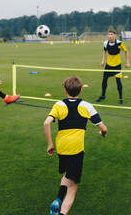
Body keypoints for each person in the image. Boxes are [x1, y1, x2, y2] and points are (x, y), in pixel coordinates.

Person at [44, 76, 107, 215]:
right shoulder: (86, 106)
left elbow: (46, 123)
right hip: (76, 149)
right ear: (80, 91)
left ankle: (58, 200)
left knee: (68, 173)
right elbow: (104, 128)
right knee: (73, 187)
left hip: (61, 147)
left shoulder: (58, 105)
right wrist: (102, 134)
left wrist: (50, 145)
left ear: (65, 91)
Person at [96, 29, 130, 104]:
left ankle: (121, 98)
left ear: (115, 35)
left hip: (117, 66)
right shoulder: (105, 43)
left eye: (112, 34)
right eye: (109, 34)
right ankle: (103, 95)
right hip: (108, 65)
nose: (110, 36)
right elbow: (105, 52)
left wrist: (127, 62)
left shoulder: (119, 43)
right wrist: (102, 61)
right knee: (104, 80)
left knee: (118, 81)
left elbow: (126, 51)